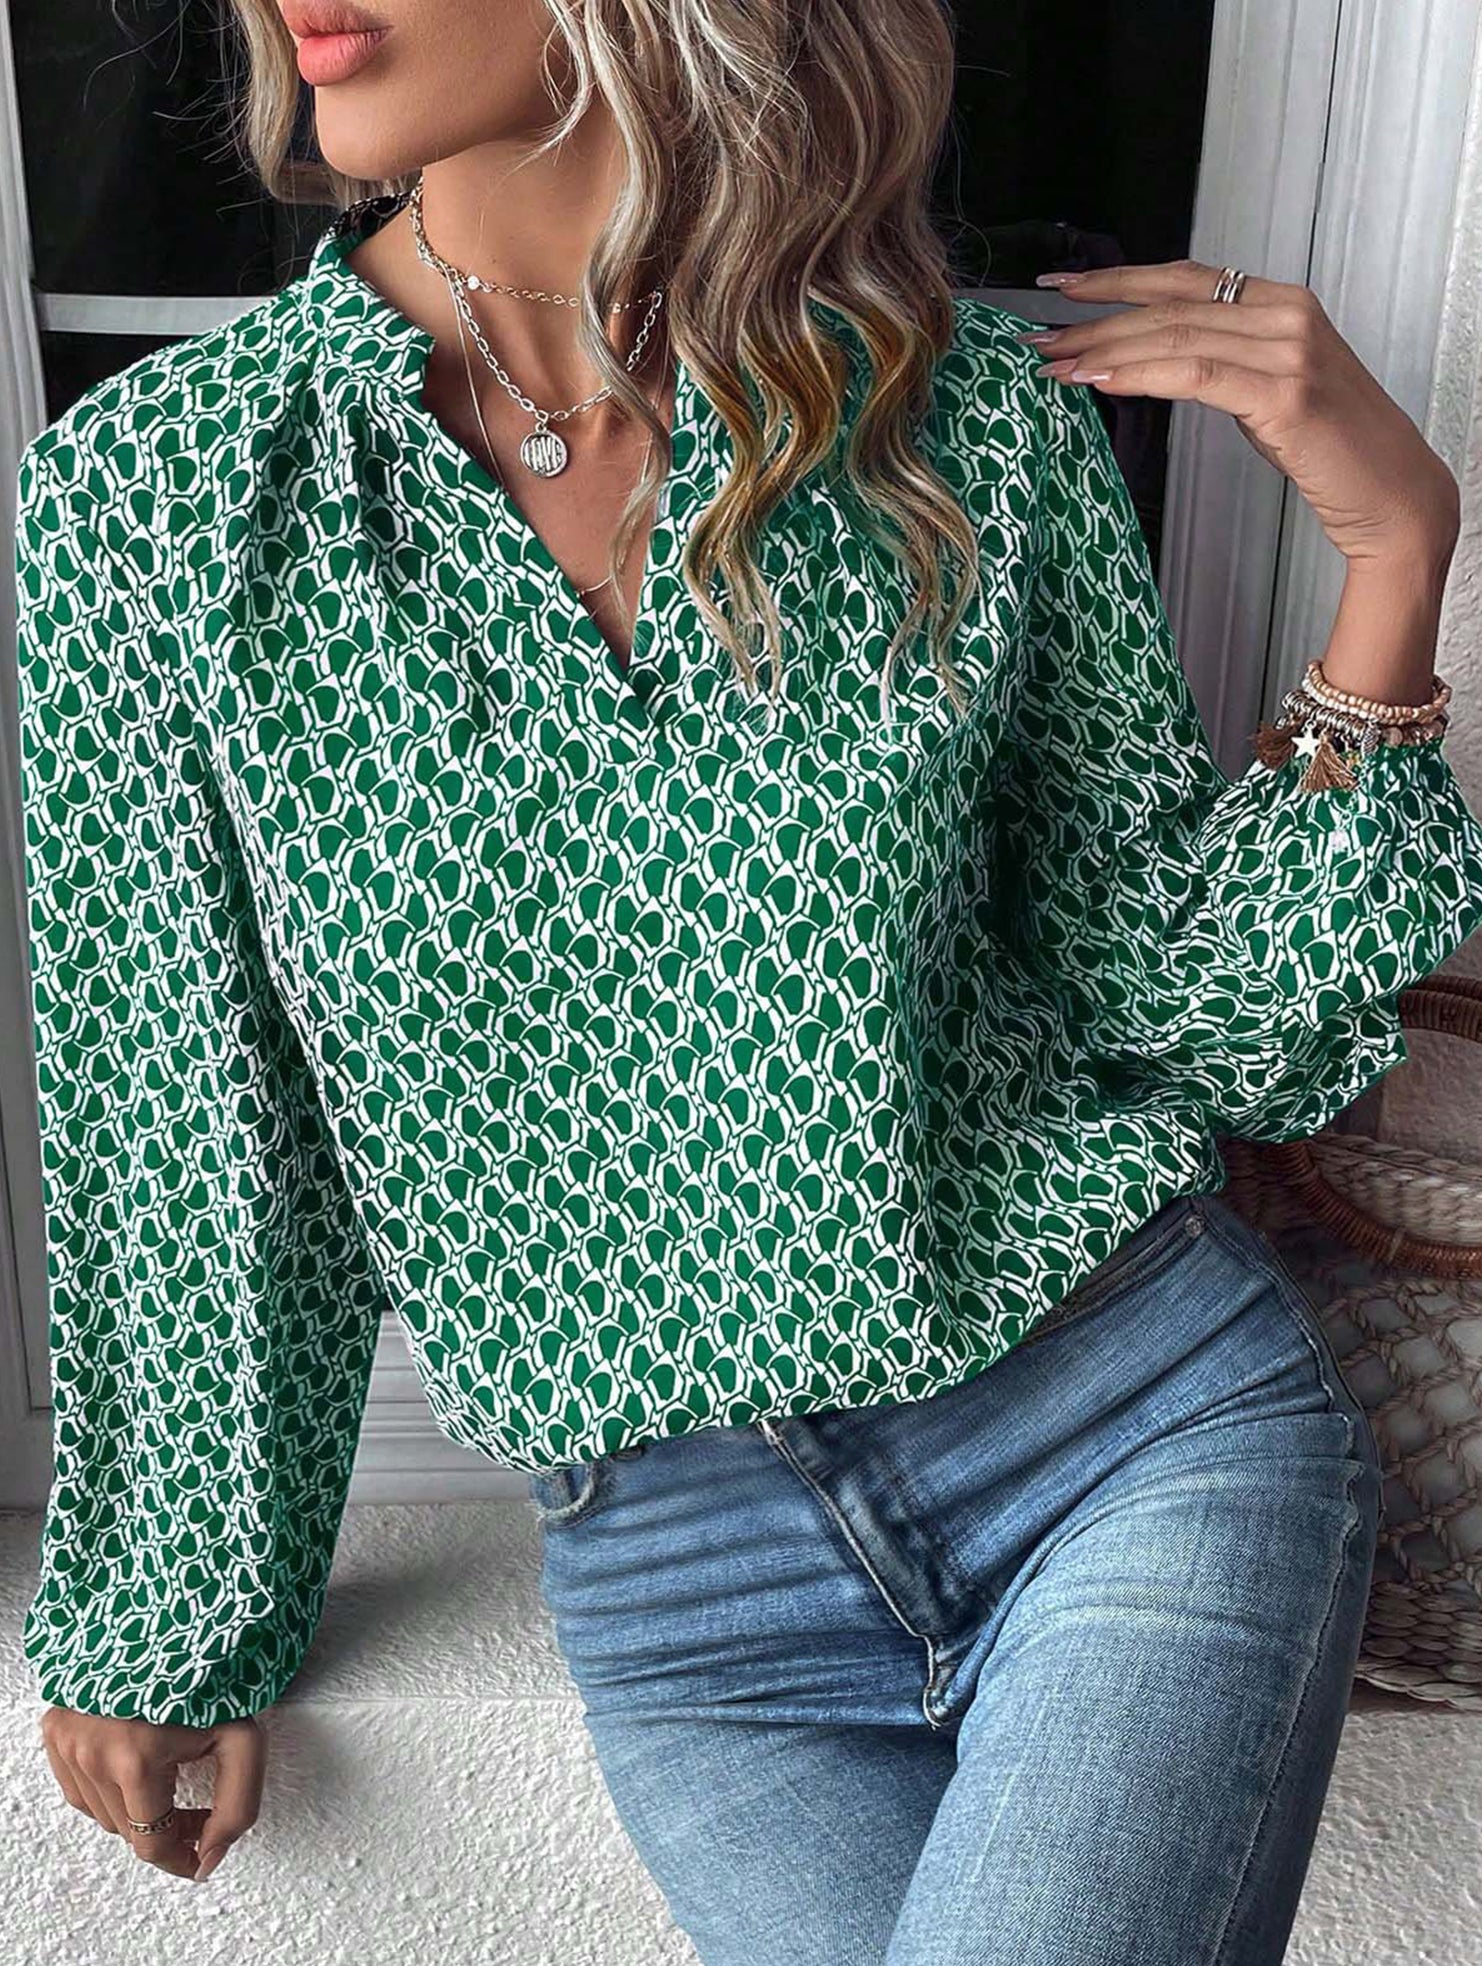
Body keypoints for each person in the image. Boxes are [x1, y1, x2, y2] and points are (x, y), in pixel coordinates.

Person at [13, 1, 1480, 1958]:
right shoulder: (163, 503)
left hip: (1131, 1436)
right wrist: (171, 1615)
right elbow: (189, 1122)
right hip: (689, 1596)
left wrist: (1392, 556)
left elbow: (1180, 994)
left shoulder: (955, 419)